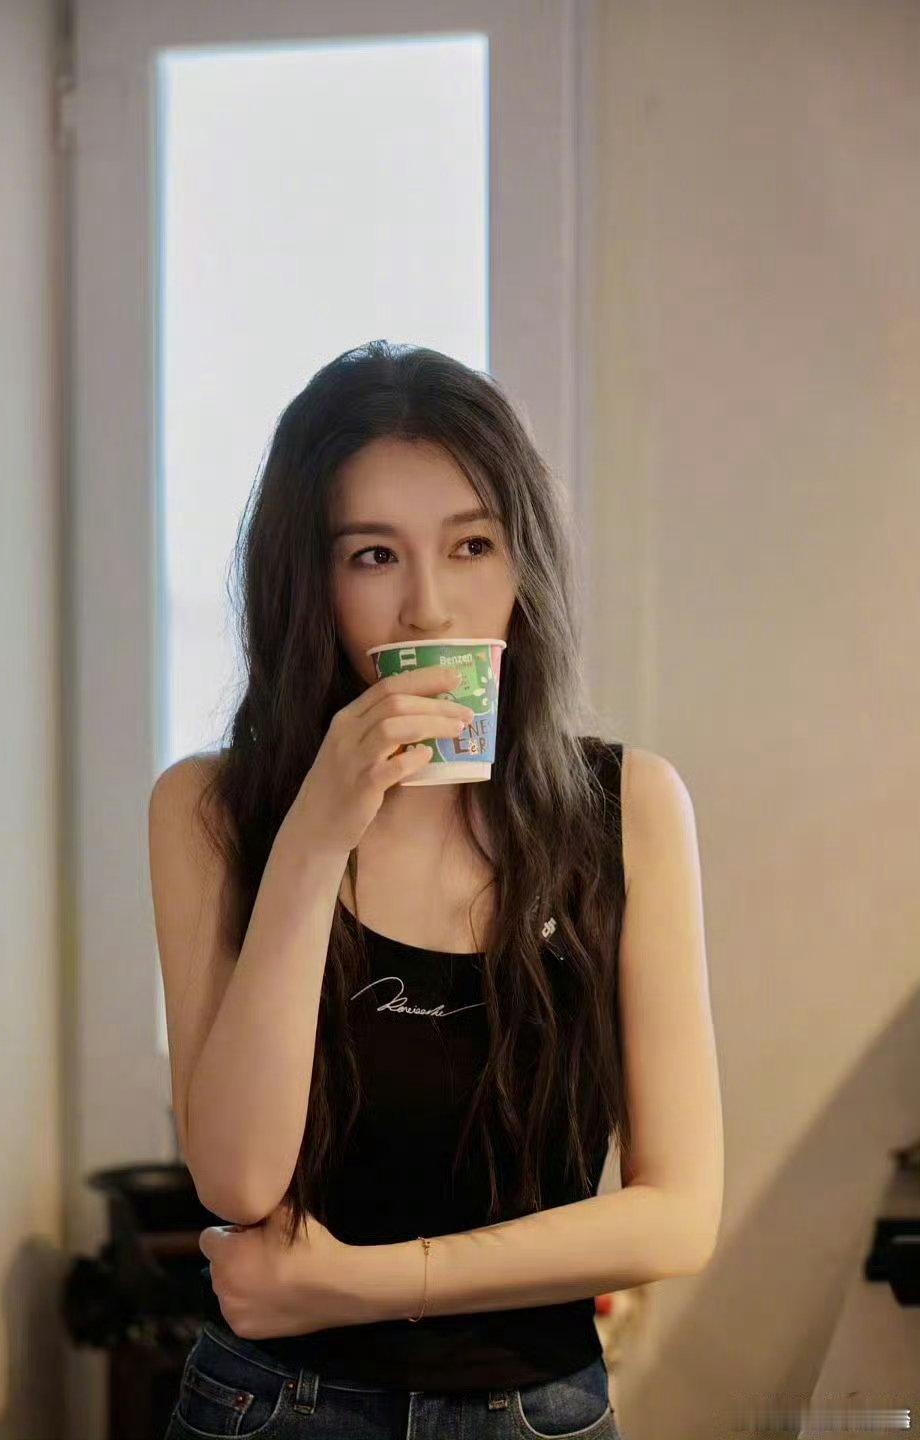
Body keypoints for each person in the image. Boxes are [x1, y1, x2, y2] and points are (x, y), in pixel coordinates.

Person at [148, 340, 723, 1439]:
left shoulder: (628, 806)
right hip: (272, 1409)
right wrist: (315, 838)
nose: (428, 607)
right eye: (373, 555)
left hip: (539, 1410)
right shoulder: (210, 810)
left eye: (471, 544)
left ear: (523, 564)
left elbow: (677, 1215)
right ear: (309, 585)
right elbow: (238, 1180)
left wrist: (358, 1284)